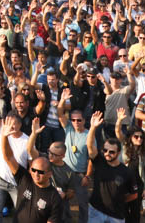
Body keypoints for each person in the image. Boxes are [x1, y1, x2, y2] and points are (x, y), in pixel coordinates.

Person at [0, 116, 64, 223]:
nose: (36, 174)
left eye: (41, 172)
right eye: (33, 170)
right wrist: (4, 137)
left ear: (49, 174)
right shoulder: (25, 179)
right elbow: (9, 157)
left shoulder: (54, 198)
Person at [87, 111, 139, 222]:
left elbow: (133, 195)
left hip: (116, 215)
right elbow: (90, 146)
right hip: (96, 211)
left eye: (111, 152)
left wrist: (118, 199)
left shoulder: (126, 172)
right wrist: (92, 128)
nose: (107, 154)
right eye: (105, 150)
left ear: (118, 153)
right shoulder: (99, 161)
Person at [0, 85, 30, 223]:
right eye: (8, 123)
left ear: (20, 124)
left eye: (14, 125)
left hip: (17, 184)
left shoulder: (27, 140)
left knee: (21, 213)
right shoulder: (2, 131)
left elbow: (31, 161)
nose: (10, 128)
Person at [57, 86, 92, 223]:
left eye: (79, 120)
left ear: (84, 120)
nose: (76, 122)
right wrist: (62, 100)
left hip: (80, 174)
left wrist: (87, 176)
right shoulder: (69, 128)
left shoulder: (89, 135)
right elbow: (60, 113)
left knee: (83, 203)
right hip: (65, 171)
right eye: (74, 120)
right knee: (64, 200)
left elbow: (91, 158)